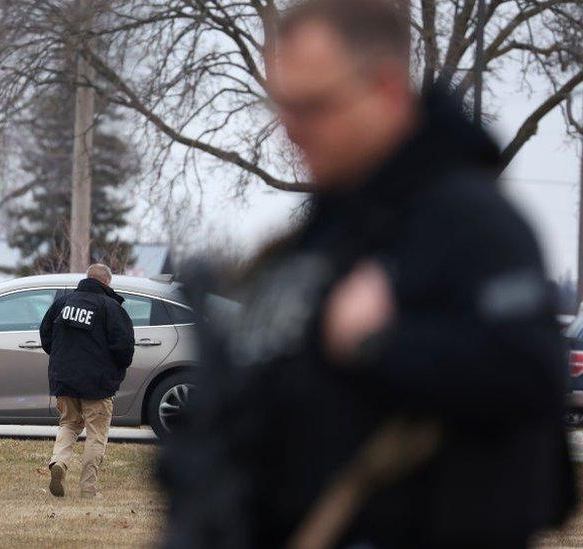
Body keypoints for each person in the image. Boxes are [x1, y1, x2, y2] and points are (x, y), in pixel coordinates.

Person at [161, 0, 576, 546]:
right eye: (284, 107)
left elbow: (533, 375)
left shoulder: (471, 221)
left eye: (313, 106)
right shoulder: (319, 235)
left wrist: (378, 346)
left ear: (384, 88)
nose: (292, 131)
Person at [39, 263, 135, 499]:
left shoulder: (62, 303)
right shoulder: (110, 307)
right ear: (106, 282)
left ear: (87, 278)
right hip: (98, 383)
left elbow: (46, 336)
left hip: (64, 379)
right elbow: (124, 348)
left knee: (69, 424)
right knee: (96, 433)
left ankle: (59, 463)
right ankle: (88, 490)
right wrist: (116, 370)